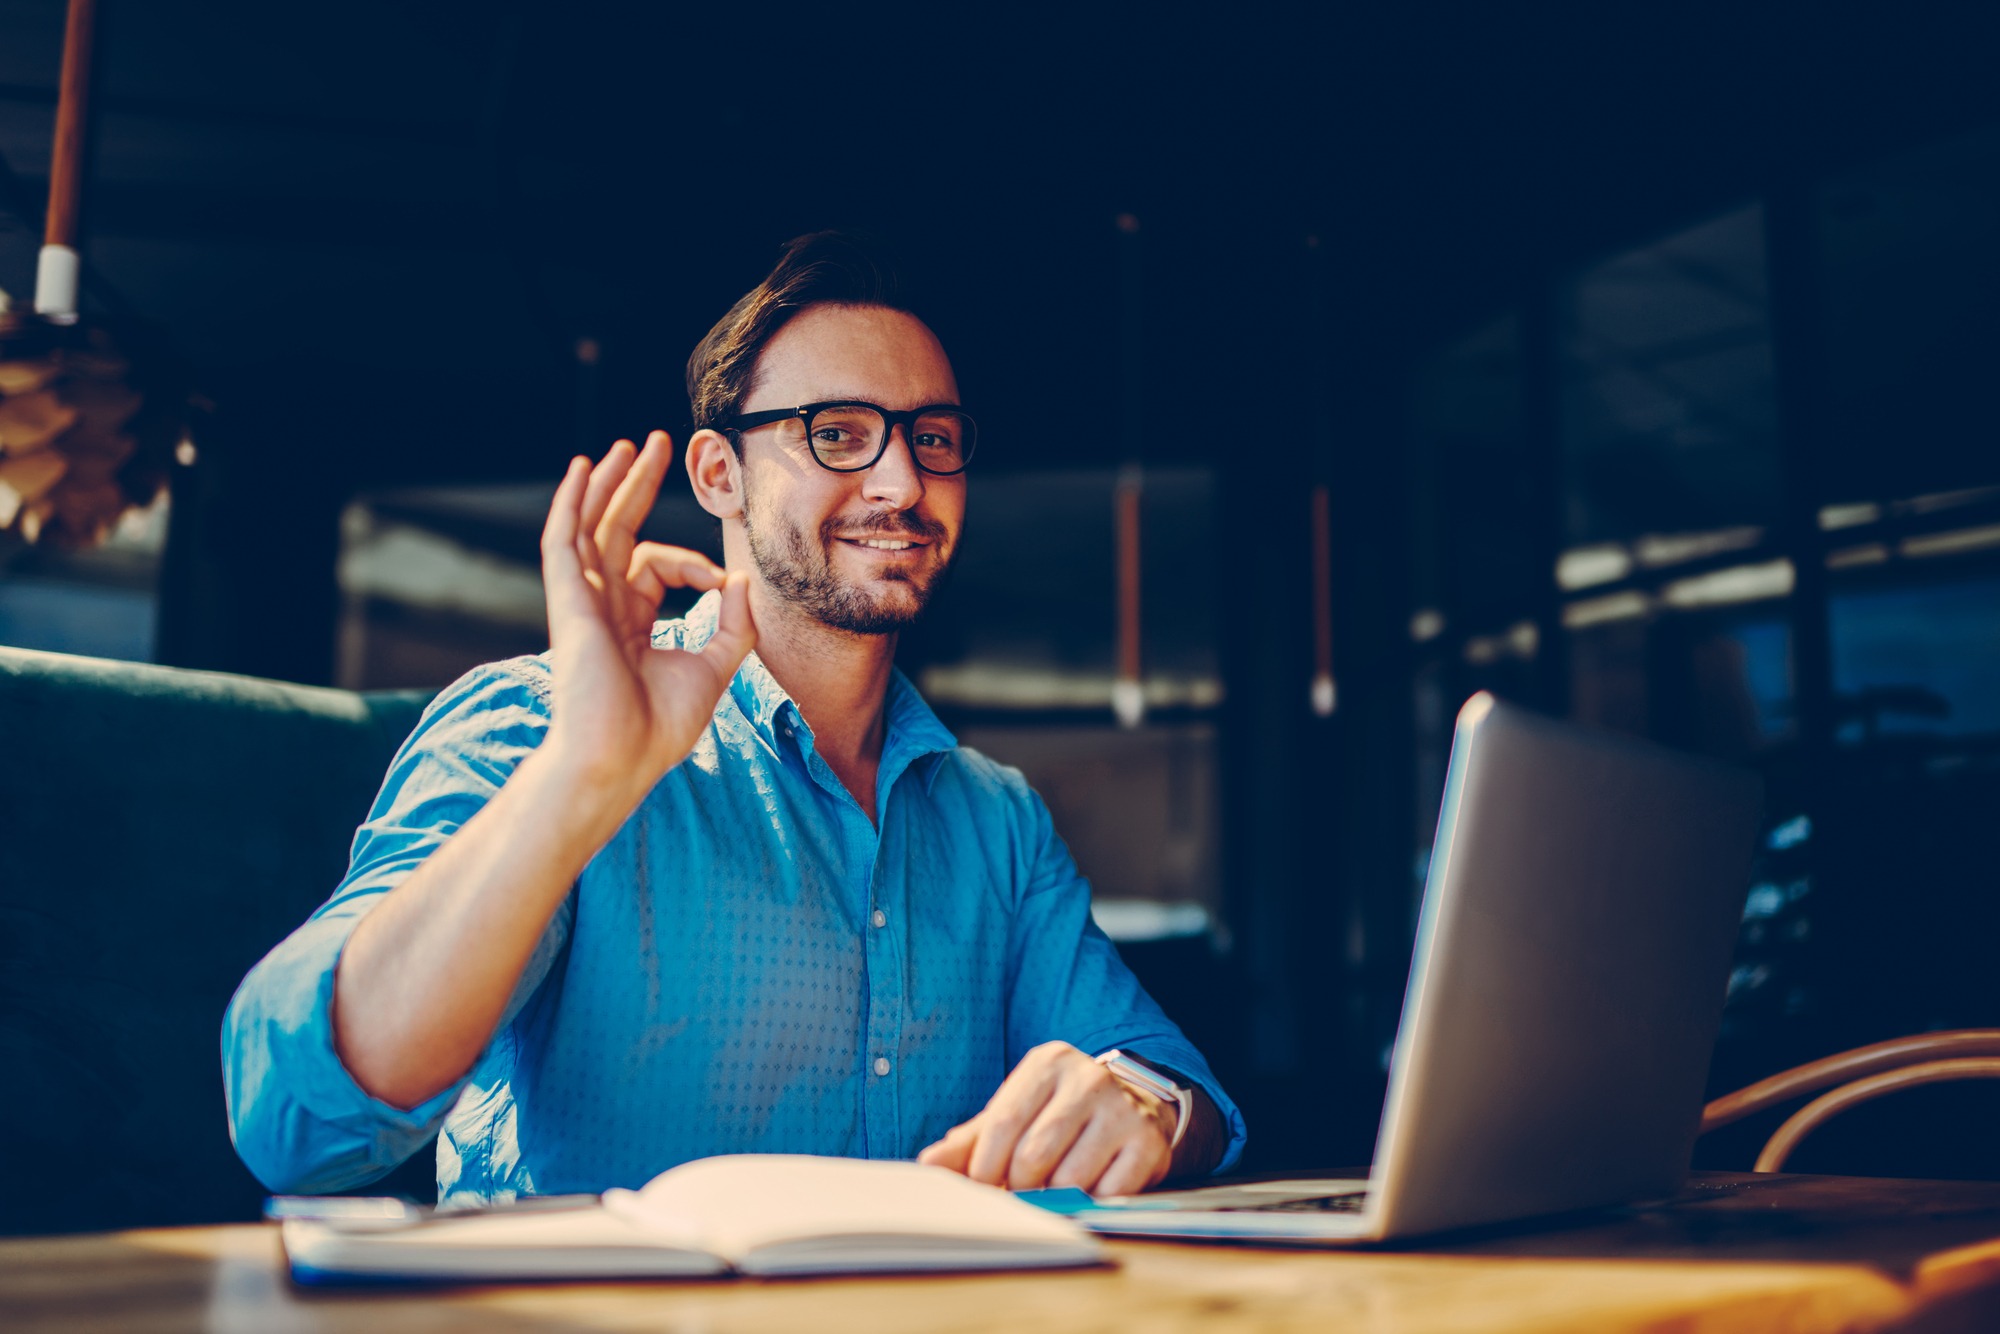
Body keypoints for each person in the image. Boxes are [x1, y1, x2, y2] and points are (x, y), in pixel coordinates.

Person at [223, 232, 1245, 1204]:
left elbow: (1177, 1082)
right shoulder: (537, 723)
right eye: (836, 433)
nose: (902, 481)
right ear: (720, 475)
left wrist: (1142, 1106)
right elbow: (294, 1123)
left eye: (931, 439)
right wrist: (577, 776)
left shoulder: (995, 820)